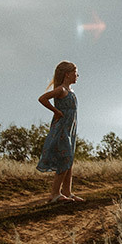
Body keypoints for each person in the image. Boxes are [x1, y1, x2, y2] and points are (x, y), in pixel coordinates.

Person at [36, 61, 82, 203]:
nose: (77, 76)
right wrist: (56, 111)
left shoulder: (71, 91)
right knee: (65, 157)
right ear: (67, 74)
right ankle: (55, 194)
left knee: (69, 160)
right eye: (75, 73)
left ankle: (67, 192)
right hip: (62, 128)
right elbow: (42, 98)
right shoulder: (61, 90)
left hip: (70, 129)